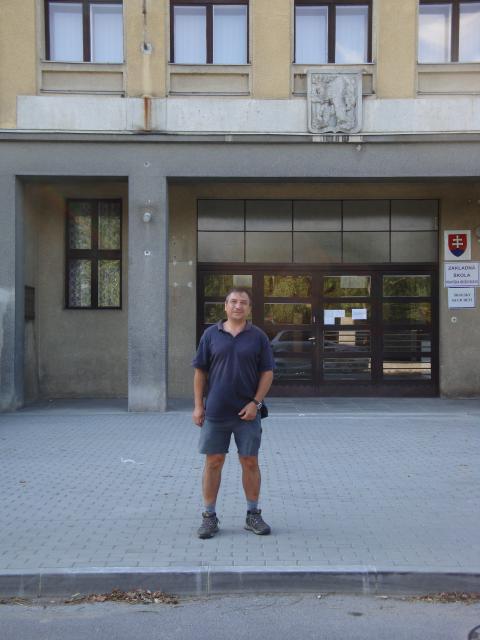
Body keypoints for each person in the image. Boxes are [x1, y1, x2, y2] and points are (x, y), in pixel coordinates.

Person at [192, 287, 275, 539]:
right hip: (216, 411)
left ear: (249, 308)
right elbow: (200, 372)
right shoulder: (210, 335)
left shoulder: (258, 337)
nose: (238, 306)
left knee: (250, 461)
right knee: (213, 461)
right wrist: (198, 405)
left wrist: (256, 403)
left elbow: (267, 372)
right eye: (234, 301)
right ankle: (209, 517)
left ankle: (253, 514)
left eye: (243, 302)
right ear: (226, 306)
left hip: (247, 413)